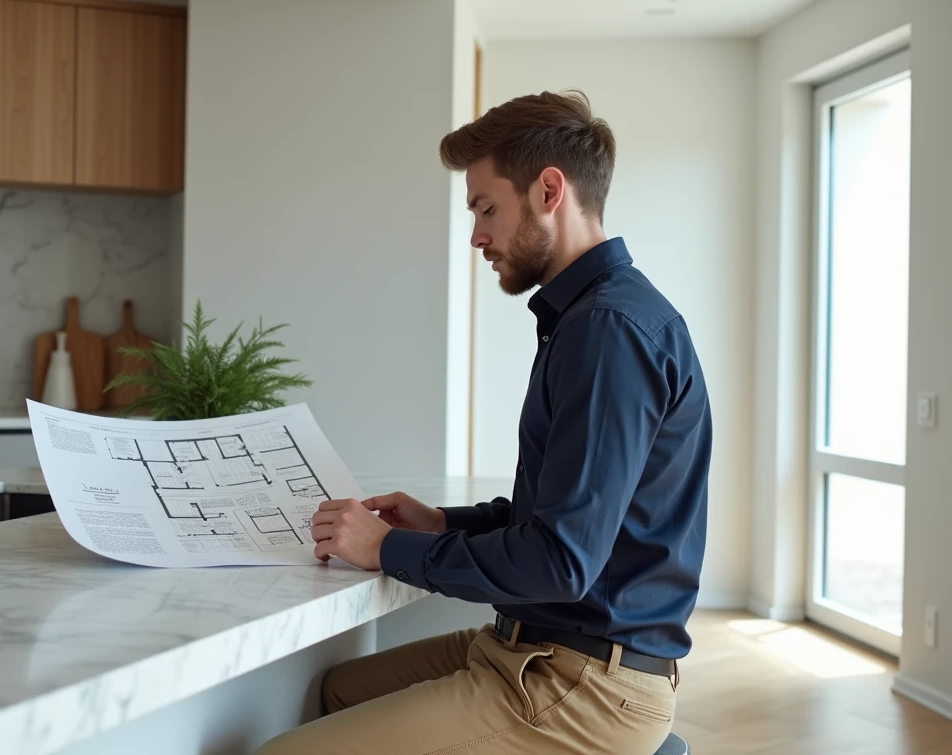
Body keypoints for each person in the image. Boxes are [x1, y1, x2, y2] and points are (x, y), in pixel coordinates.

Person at [256, 90, 711, 755]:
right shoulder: (588, 319)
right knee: (337, 691)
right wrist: (443, 523)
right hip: (535, 650)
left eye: (486, 207)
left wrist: (384, 549)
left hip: (582, 685)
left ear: (549, 189)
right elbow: (561, 519)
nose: (476, 234)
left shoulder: (607, 332)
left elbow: (559, 563)